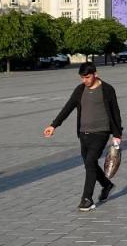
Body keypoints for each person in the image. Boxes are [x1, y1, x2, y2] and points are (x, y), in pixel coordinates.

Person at [43, 62, 122, 211]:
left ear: (95, 74)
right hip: (83, 134)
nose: (84, 80)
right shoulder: (80, 90)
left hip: (101, 133)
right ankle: (107, 185)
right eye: (82, 78)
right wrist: (53, 125)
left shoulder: (107, 90)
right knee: (89, 164)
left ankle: (87, 199)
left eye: (87, 77)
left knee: (91, 162)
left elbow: (115, 113)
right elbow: (68, 108)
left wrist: (117, 134)